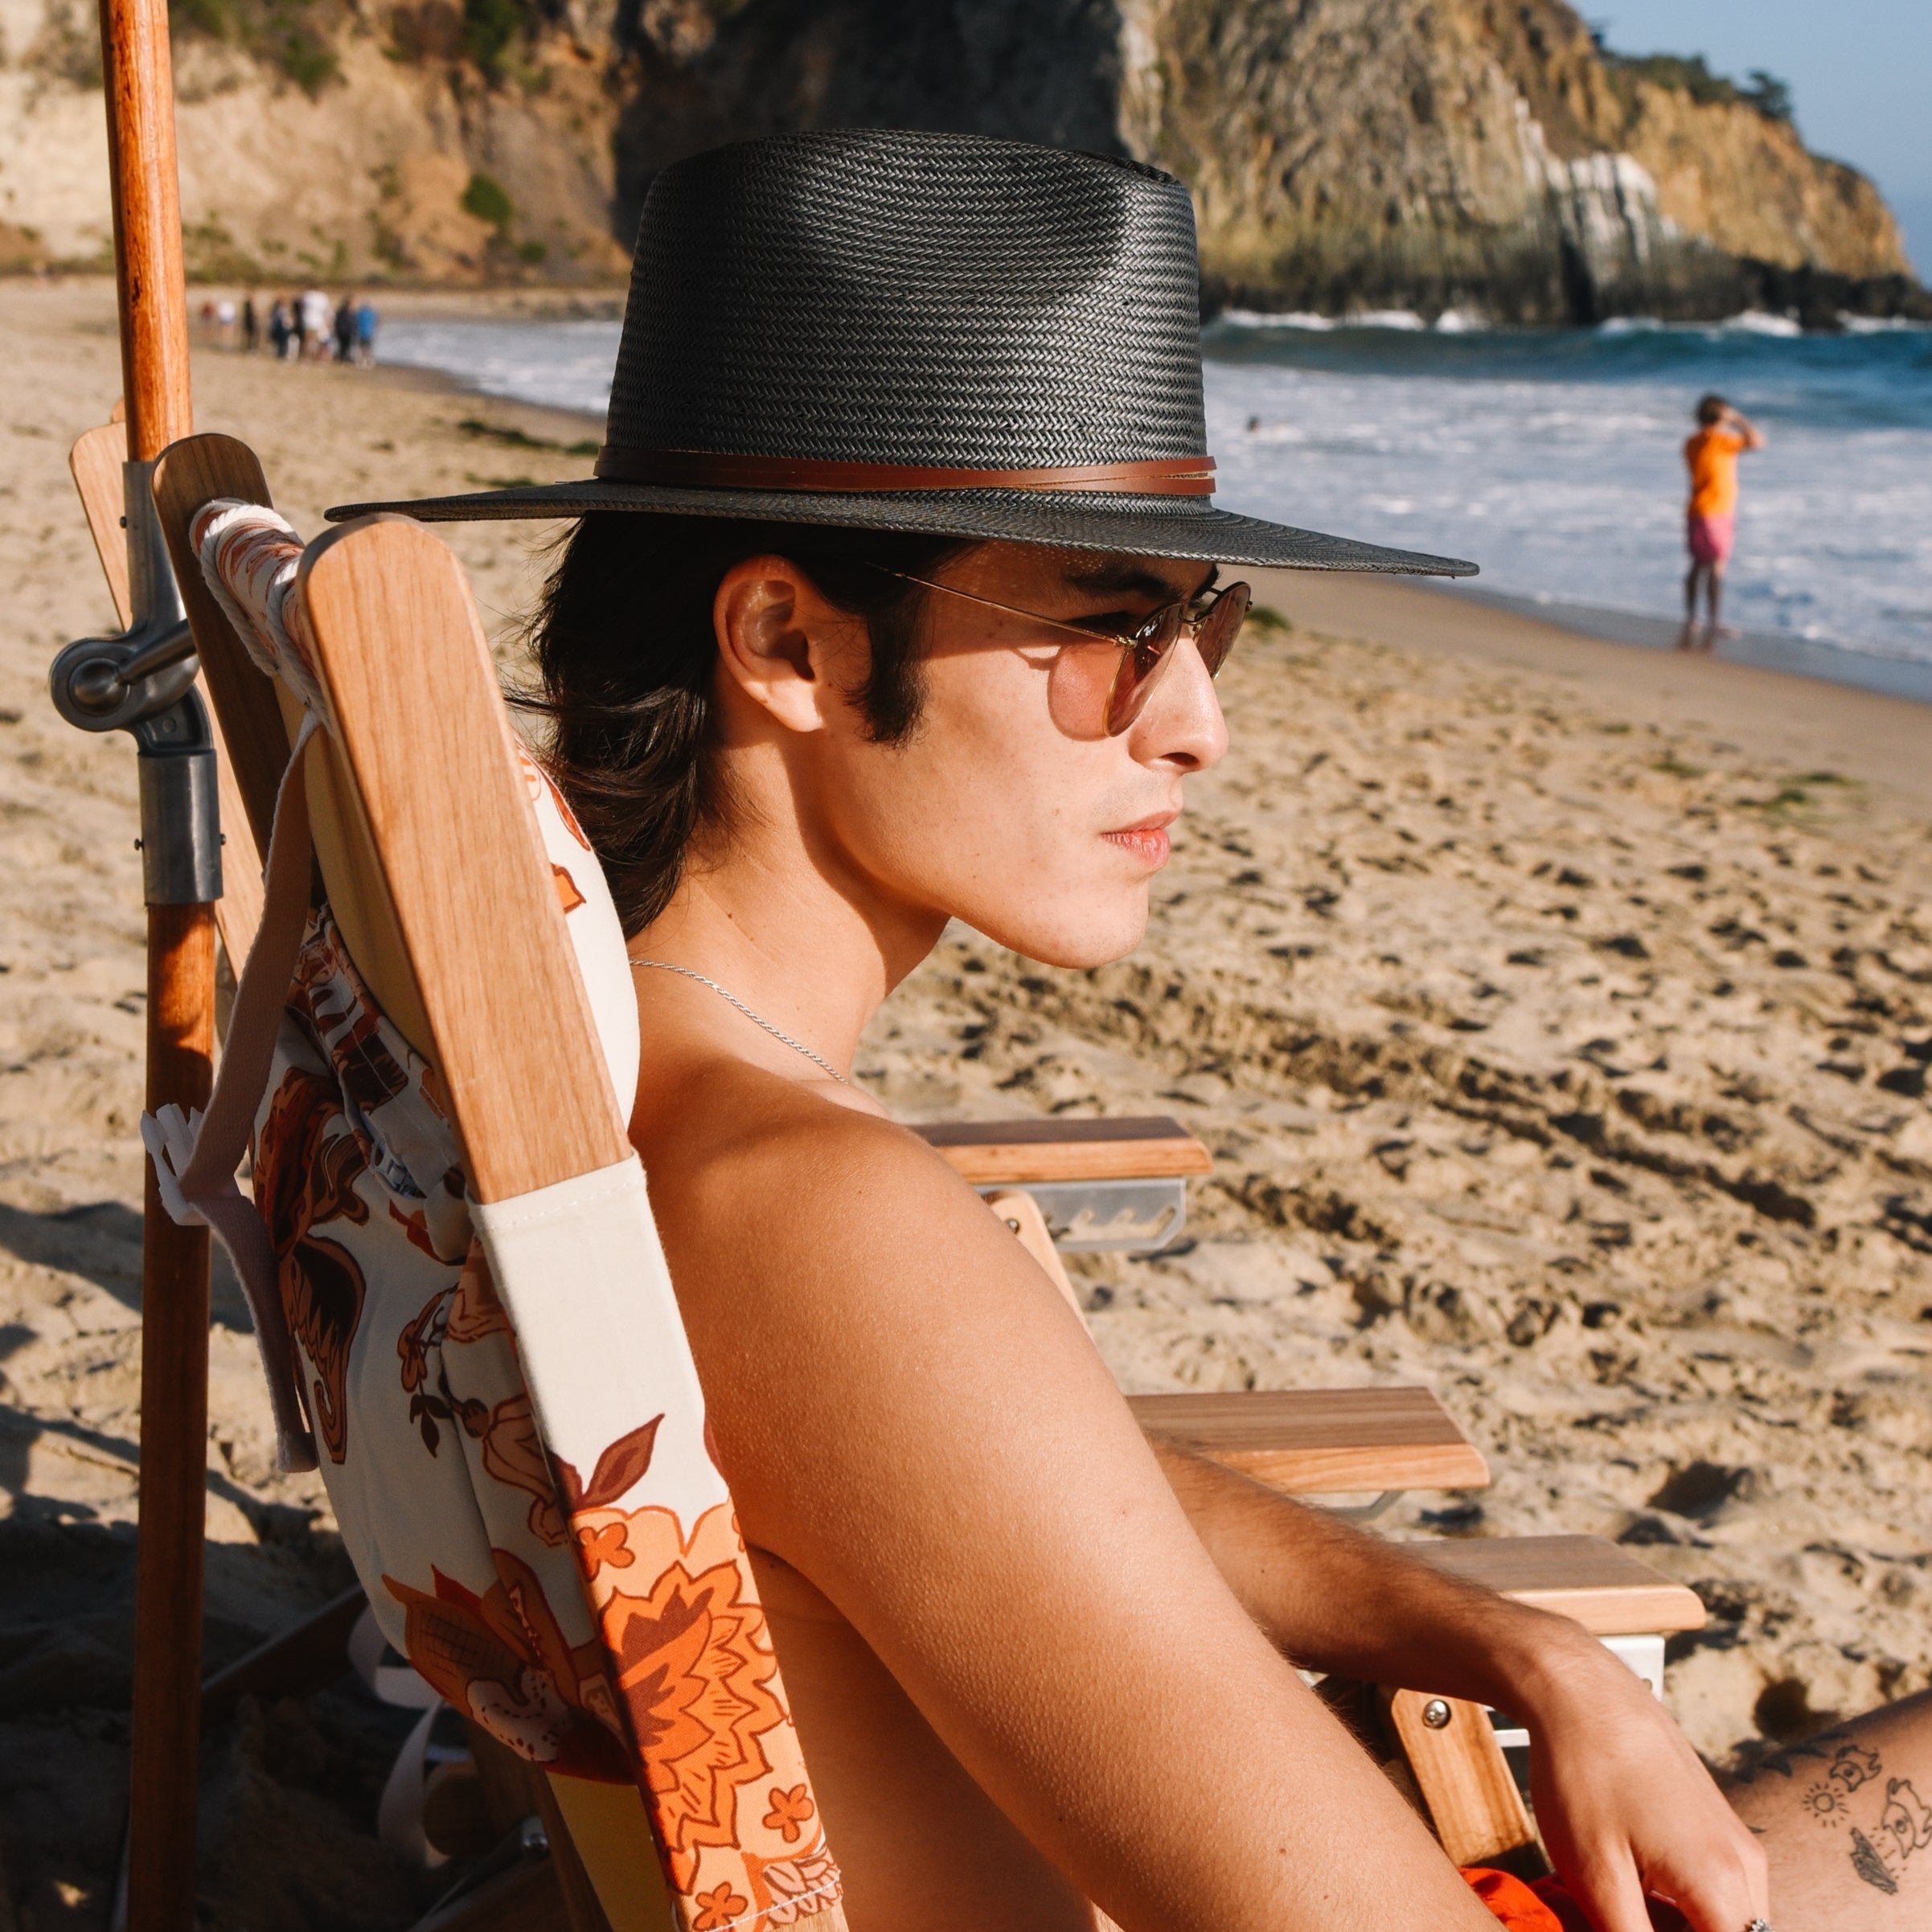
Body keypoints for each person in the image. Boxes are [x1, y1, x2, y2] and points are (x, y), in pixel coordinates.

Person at [334, 130, 1930, 1932]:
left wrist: (1492, 1634)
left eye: (1206, 627)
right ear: (789, 638)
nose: (1192, 725)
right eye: (1108, 626)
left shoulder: (625, 1084)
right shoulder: (822, 1219)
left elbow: (969, 1458)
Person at [1680, 393, 1764, 650]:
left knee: (1697, 565)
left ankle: (1693, 619)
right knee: (1716, 566)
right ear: (1720, 416)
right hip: (1716, 512)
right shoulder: (1719, 441)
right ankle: (1713, 622)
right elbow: (1757, 441)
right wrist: (1738, 418)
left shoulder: (1692, 443)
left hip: (1698, 511)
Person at [353, 293, 377, 365]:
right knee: (367, 348)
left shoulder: (359, 312)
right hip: (367, 332)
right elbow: (376, 322)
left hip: (362, 332)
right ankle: (367, 360)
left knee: (362, 348)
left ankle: (364, 360)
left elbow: (355, 322)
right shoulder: (371, 312)